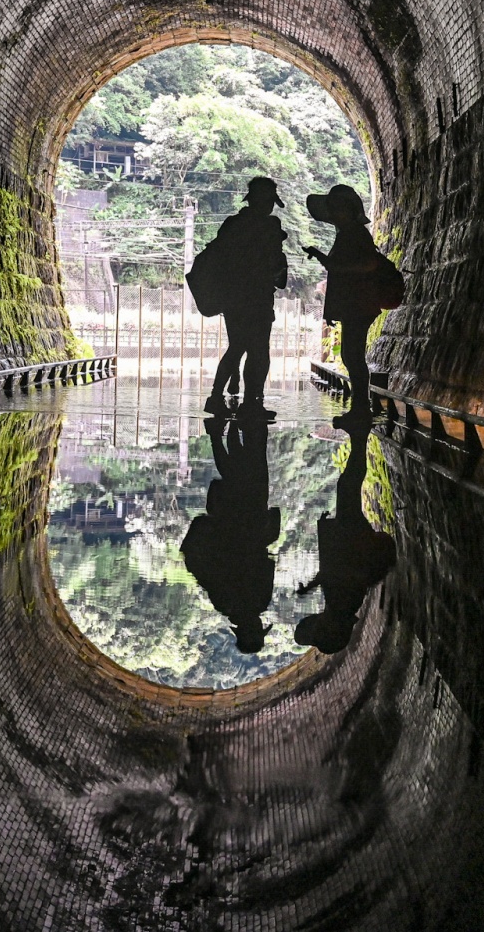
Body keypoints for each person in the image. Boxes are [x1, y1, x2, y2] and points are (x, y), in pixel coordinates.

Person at [294, 420, 395, 654]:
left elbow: (332, 575)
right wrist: (311, 585)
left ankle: (359, 436)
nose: (314, 621)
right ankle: (360, 435)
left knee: (347, 487)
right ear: (326, 629)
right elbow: (340, 574)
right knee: (348, 487)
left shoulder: (340, 607)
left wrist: (311, 586)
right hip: (353, 539)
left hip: (352, 539)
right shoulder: (341, 604)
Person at [180, 415, 279, 654]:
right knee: (235, 477)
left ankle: (237, 427)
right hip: (227, 525)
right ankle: (223, 431)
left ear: (254, 627)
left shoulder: (258, 601)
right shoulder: (224, 603)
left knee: (250, 474)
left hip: (249, 526)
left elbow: (267, 565)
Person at [204, 176, 288, 420]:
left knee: (237, 346)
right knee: (259, 351)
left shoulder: (232, 225)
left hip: (233, 299)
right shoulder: (270, 227)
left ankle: (215, 397)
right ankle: (252, 402)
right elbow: (274, 264)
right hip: (259, 297)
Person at [304, 184, 389, 421]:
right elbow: (338, 271)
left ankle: (361, 409)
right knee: (351, 357)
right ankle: (360, 407)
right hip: (355, 305)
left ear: (348, 210)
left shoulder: (355, 234)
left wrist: (336, 265)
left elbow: (367, 265)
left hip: (359, 305)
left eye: (337, 208)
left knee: (353, 357)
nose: (333, 213)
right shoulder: (347, 234)